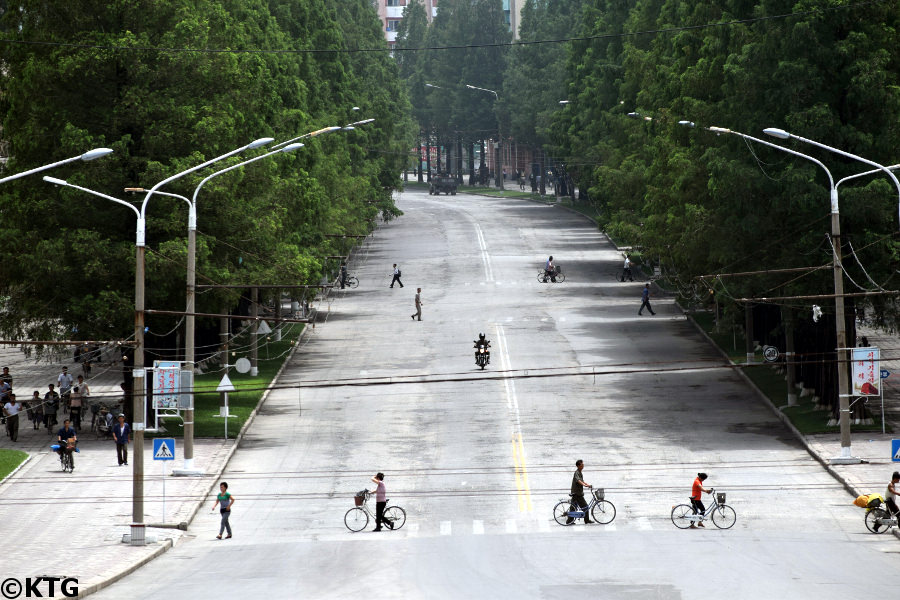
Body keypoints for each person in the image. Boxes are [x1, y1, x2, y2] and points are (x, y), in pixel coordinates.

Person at [566, 459, 594, 525]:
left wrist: (587, 485)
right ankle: (586, 520)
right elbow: (578, 480)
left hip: (576, 493)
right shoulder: (577, 473)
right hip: (577, 494)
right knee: (586, 507)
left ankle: (569, 521)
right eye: (582, 464)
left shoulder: (580, 472)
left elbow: (582, 481)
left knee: (573, 508)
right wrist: (584, 485)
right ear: (578, 466)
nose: (583, 465)